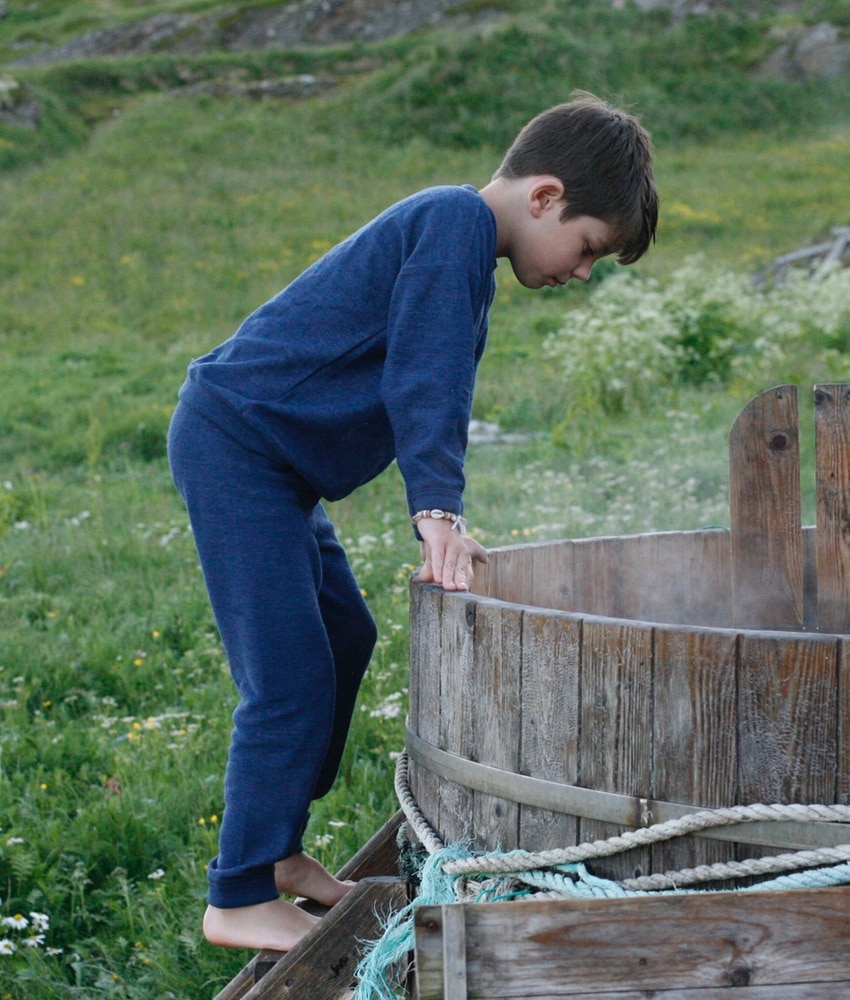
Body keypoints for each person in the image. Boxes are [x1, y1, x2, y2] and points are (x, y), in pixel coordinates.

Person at [167, 91, 658, 952]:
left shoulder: (463, 247)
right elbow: (424, 376)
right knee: (287, 679)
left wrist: (445, 511)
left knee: (345, 637)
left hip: (276, 466)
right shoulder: (453, 223)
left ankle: (277, 848)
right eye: (587, 248)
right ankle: (236, 896)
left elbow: (436, 380)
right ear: (545, 196)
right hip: (237, 445)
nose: (582, 273)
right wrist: (436, 510)